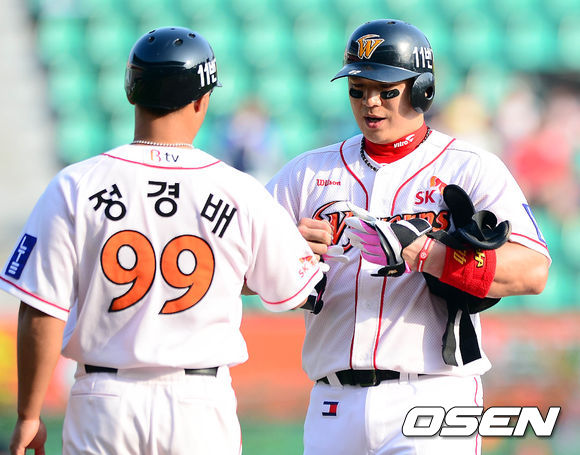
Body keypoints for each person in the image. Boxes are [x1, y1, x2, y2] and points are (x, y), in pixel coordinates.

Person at [0, 26, 322, 455]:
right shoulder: (239, 190)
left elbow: (41, 309)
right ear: (202, 100)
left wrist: (28, 415)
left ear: (131, 91)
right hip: (198, 404)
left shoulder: (76, 184)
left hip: (103, 399)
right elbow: (295, 292)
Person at [266, 19, 551, 455]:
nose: (370, 102)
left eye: (386, 90)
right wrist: (284, 255)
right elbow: (236, 269)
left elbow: (533, 271)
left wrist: (427, 253)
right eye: (358, 89)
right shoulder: (307, 172)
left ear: (422, 91)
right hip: (332, 401)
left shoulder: (469, 167)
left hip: (431, 394)